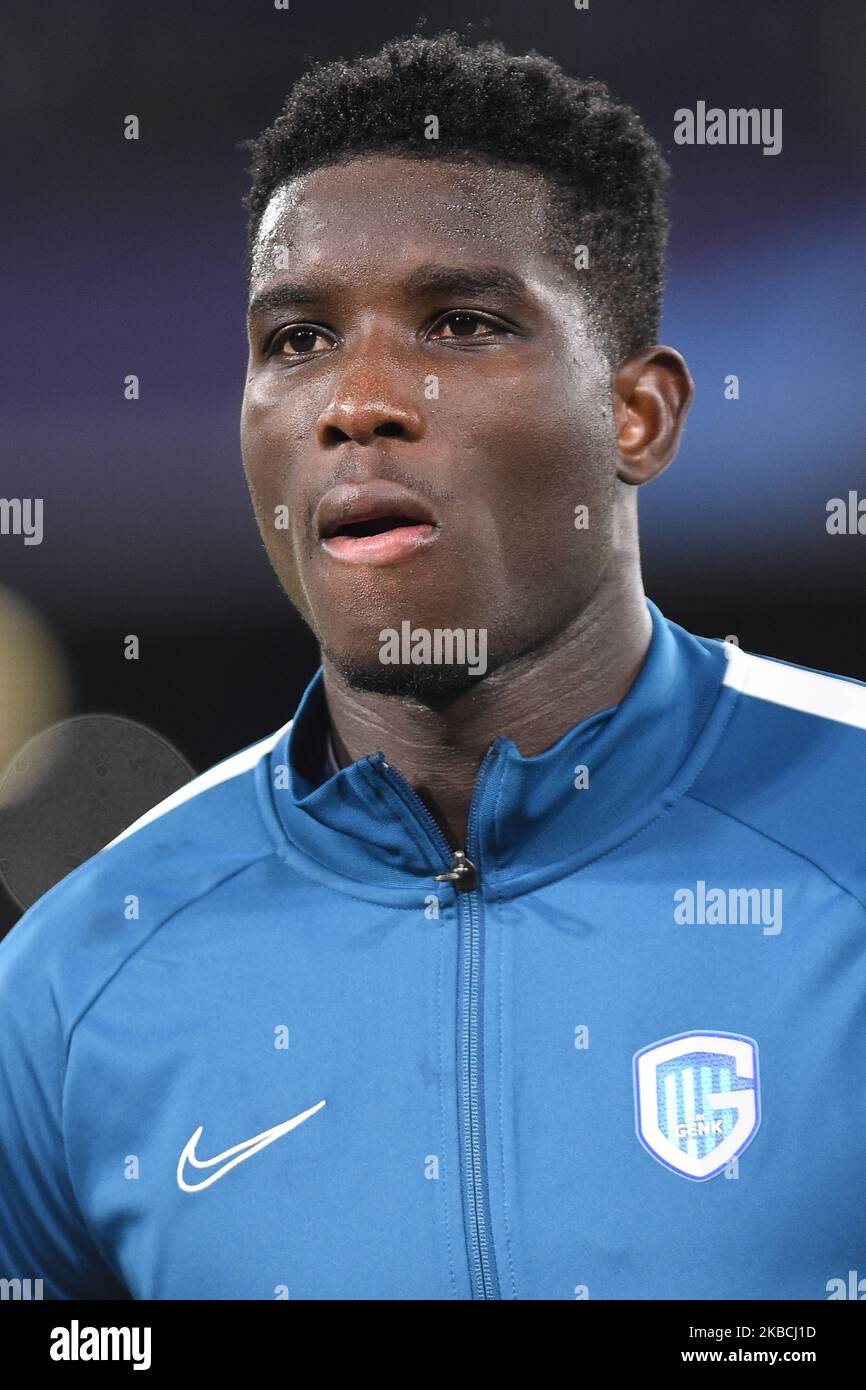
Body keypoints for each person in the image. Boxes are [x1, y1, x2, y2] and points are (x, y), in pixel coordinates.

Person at [1, 30, 864, 1302]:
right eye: (295, 340)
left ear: (640, 415)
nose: (357, 400)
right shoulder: (74, 977)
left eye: (458, 323)